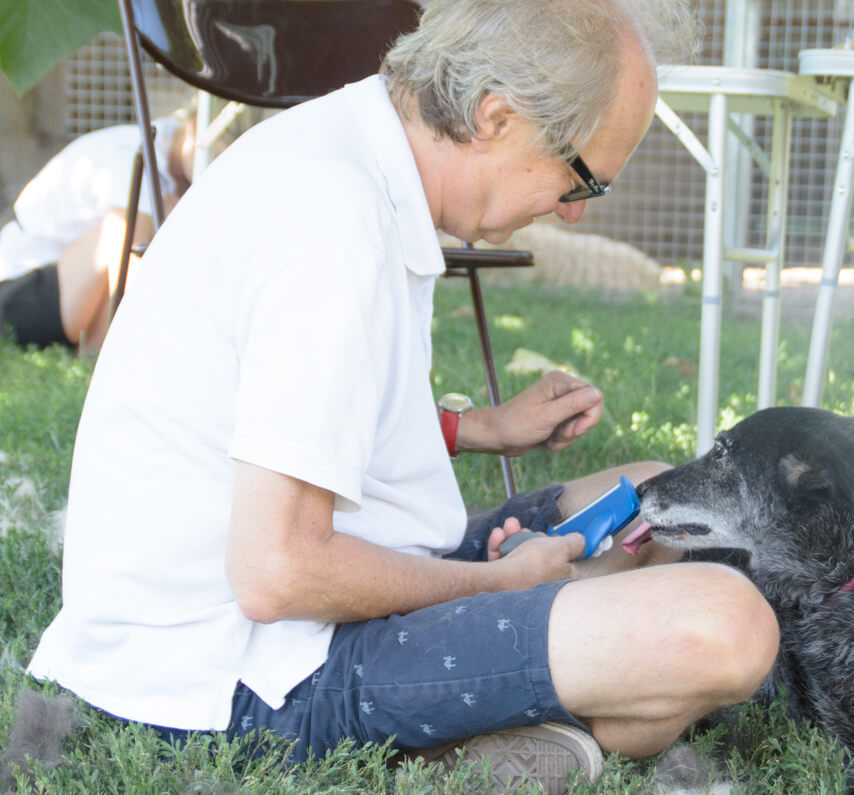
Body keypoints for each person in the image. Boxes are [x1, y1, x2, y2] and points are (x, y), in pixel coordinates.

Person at [27, 1, 780, 792]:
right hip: (237, 673)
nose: (574, 210)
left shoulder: (351, 156)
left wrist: (479, 428)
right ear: (496, 117)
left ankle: (529, 721)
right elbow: (275, 570)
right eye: (581, 177)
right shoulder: (334, 224)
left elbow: (294, 418)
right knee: (724, 627)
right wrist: (496, 585)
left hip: (289, 606)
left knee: (650, 502)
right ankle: (462, 738)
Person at [0, 110, 195, 352]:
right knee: (134, 224)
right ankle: (101, 352)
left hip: (57, 292)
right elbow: (126, 266)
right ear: (196, 128)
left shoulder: (167, 169)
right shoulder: (131, 151)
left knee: (157, 215)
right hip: (18, 291)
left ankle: (104, 348)